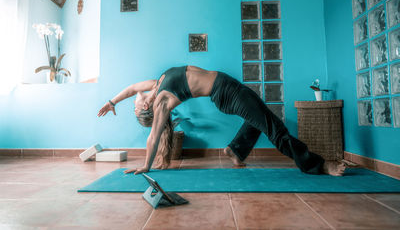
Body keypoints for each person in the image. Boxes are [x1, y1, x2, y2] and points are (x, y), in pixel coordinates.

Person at [98, 66, 346, 176]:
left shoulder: (156, 85)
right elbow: (154, 136)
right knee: (273, 127)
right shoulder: (161, 100)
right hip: (226, 93)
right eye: (135, 105)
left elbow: (131, 88)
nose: (135, 99)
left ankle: (236, 150)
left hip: (228, 89)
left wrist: (112, 102)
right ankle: (317, 166)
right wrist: (146, 166)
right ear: (146, 108)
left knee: (261, 119)